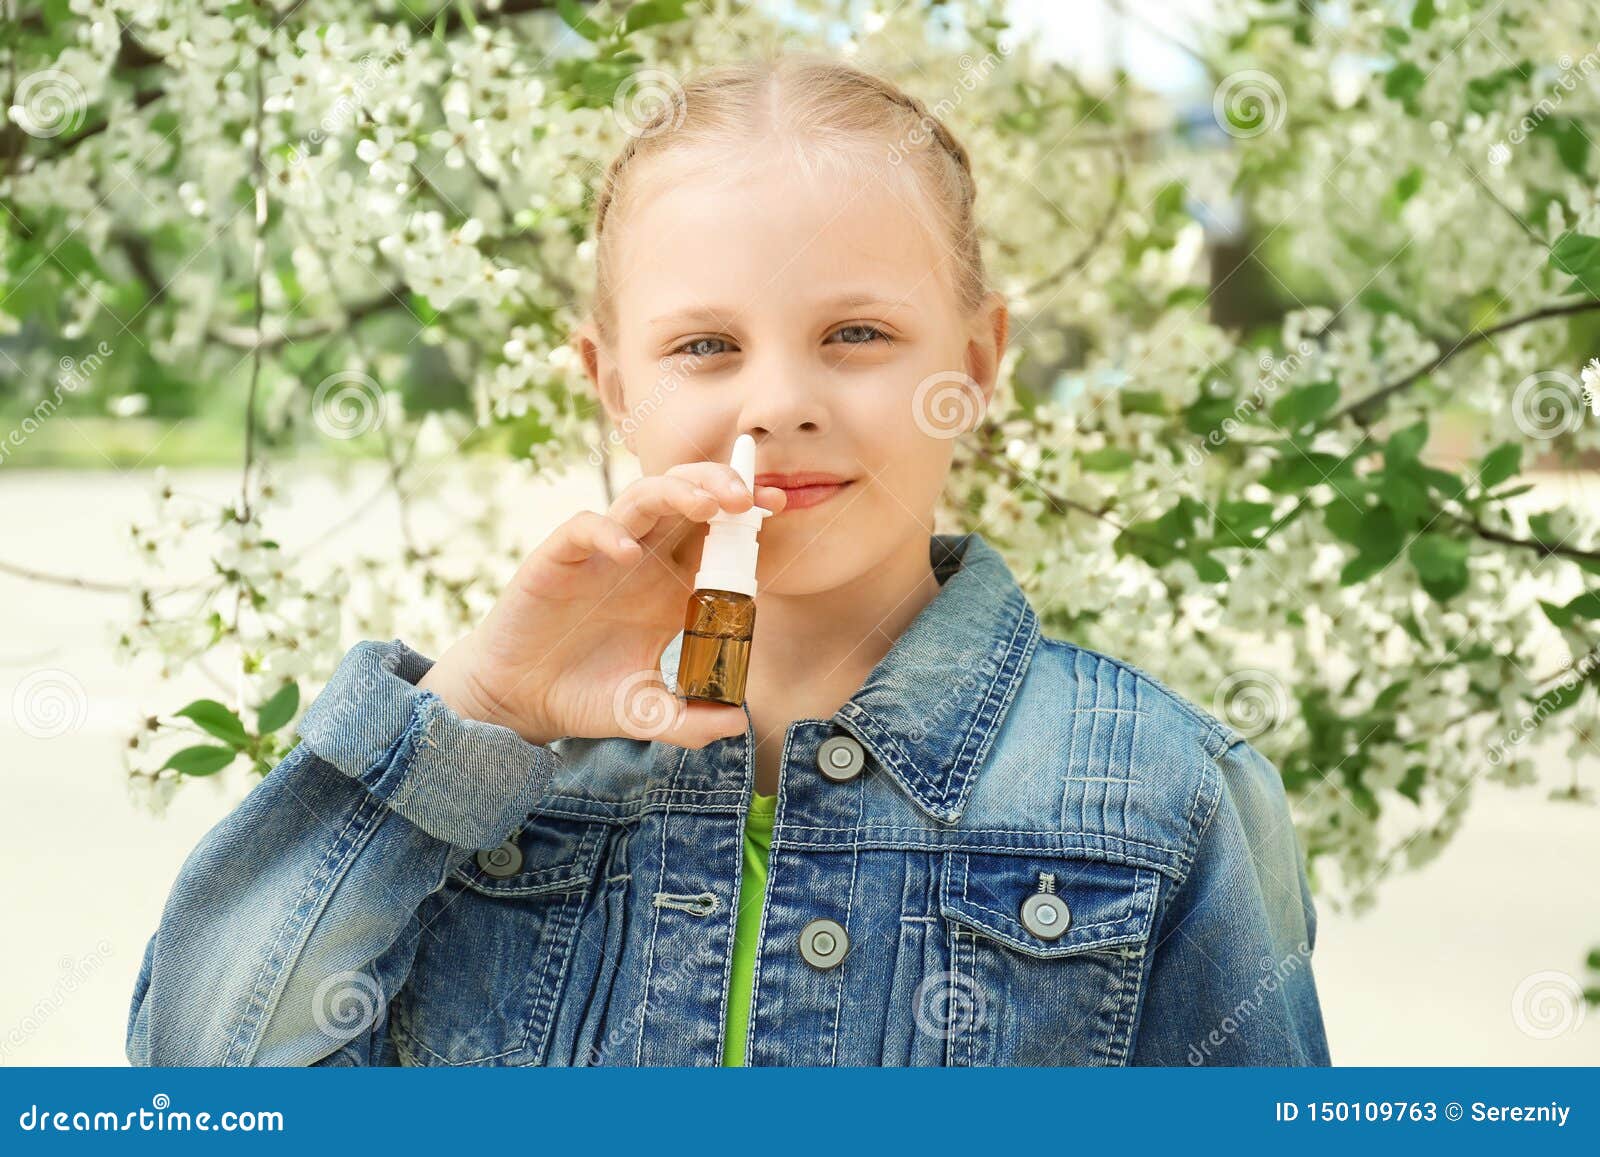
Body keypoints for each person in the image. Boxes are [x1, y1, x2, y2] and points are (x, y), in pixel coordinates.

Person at [126, 52, 1330, 1067]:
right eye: (705, 345)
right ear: (609, 384)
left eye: (856, 334)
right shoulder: (491, 775)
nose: (779, 402)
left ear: (977, 357)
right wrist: (475, 712)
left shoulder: (1166, 795)